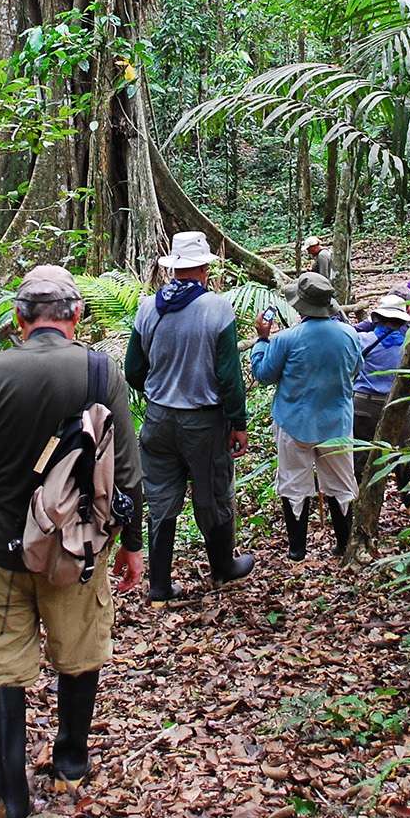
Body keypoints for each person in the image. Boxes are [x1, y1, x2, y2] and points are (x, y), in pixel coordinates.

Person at [0, 265, 145, 818]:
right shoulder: (101, 372)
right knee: (78, 649)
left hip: (2, 548)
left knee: (1, 666)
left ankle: (12, 796)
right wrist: (133, 545)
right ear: (76, 316)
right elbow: (127, 468)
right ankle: (70, 763)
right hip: (76, 549)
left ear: (19, 319)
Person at [124, 231, 254, 604]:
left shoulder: (148, 307)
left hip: (159, 420)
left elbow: (133, 370)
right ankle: (222, 569)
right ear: (203, 267)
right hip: (203, 421)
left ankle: (159, 584)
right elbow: (229, 376)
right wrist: (238, 423)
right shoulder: (217, 308)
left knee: (162, 499)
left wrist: (159, 388)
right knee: (212, 493)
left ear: (174, 268)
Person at [250, 272, 361, 561]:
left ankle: (298, 550)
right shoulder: (349, 334)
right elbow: (355, 371)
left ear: (300, 306)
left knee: (293, 483)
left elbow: (262, 374)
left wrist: (262, 340)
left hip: (294, 422)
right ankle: (343, 545)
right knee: (341, 482)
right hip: (336, 422)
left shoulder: (286, 339)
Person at [352, 293, 410, 500]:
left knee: (361, 455)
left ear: (377, 318)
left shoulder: (361, 341)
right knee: (403, 454)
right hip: (400, 408)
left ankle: (360, 499)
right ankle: (407, 501)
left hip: (362, 407)